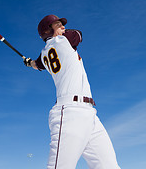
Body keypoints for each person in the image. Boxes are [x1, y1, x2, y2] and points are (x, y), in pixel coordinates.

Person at [24, 15, 121, 169]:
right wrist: (34, 61)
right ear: (48, 30)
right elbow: (78, 34)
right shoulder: (63, 40)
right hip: (70, 112)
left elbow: (38, 65)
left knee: (108, 166)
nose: (63, 27)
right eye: (58, 24)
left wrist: (30, 63)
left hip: (90, 115)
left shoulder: (45, 53)